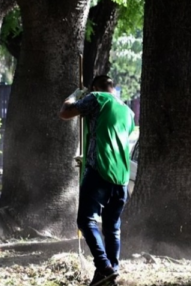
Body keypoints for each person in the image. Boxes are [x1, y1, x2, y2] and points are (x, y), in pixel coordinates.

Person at [59, 75, 136, 286]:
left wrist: (76, 95)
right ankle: (109, 274)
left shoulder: (97, 98)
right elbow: (107, 134)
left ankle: (104, 265)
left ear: (95, 87)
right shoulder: (128, 112)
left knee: (85, 220)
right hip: (121, 176)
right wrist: (87, 156)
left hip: (101, 170)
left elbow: (65, 113)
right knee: (112, 227)